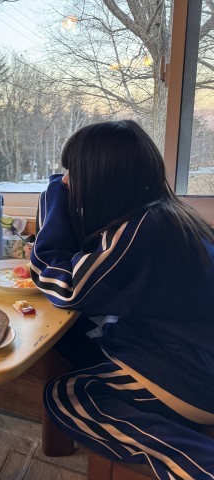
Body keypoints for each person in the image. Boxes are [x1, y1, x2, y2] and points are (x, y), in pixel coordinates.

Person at [31, 120, 214, 479]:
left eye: (72, 172)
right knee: (70, 336)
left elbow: (66, 289)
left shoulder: (142, 231)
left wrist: (53, 197)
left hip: (193, 378)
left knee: (67, 395)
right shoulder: (166, 216)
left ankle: (198, 464)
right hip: (188, 354)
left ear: (103, 179)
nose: (66, 181)